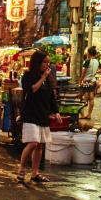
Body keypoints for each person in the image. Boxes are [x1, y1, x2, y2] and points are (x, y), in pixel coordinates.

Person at [16, 50, 61, 183]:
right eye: (45, 62)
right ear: (38, 62)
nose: (47, 65)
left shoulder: (48, 79)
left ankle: (35, 173)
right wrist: (43, 77)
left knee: (40, 145)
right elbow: (32, 89)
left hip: (43, 114)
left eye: (49, 62)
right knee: (33, 142)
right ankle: (21, 169)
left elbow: (51, 97)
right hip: (30, 113)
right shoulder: (28, 76)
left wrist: (56, 112)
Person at [80, 46, 100, 118]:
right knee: (91, 98)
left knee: (79, 96)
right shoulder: (97, 61)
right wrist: (94, 73)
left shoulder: (87, 61)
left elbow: (84, 72)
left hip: (86, 81)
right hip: (93, 81)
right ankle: (89, 115)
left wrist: (80, 81)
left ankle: (80, 113)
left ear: (89, 53)